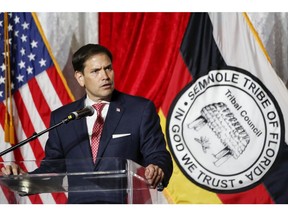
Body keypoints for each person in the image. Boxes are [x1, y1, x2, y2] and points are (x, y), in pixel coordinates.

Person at [1, 44, 173, 204]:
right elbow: (52, 168)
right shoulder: (63, 118)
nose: (105, 76)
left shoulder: (139, 110)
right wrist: (23, 180)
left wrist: (157, 168)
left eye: (108, 68)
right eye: (96, 71)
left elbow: (158, 154)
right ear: (80, 77)